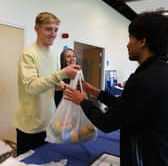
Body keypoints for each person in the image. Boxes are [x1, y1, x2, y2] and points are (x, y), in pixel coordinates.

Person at [64, 11, 168, 166]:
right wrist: (97, 93)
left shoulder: (143, 80)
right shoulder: (159, 72)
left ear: (142, 41)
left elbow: (107, 123)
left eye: (130, 38)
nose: (127, 44)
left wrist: (83, 101)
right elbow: (128, 106)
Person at [13, 12, 79, 155]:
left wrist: (62, 85)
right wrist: (63, 73)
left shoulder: (54, 54)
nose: (53, 34)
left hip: (49, 122)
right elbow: (31, 87)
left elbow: (53, 80)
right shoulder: (28, 54)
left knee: (46, 160)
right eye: (48, 29)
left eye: (56, 30)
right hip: (30, 126)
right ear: (37, 29)